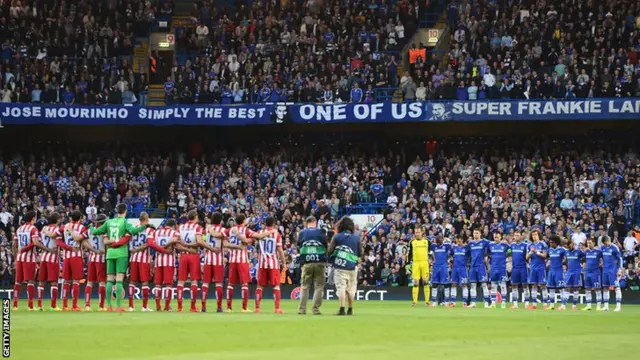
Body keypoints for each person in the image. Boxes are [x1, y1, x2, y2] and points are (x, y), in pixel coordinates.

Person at [90, 203, 146, 312]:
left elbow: (96, 232)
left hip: (110, 253)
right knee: (119, 280)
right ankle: (119, 306)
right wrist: (144, 226)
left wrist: (91, 226)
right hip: (121, 253)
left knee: (110, 280)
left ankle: (109, 306)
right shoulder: (124, 222)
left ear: (116, 211)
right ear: (125, 211)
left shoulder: (108, 222)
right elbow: (133, 231)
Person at [225, 214, 275, 312]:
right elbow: (259, 236)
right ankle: (244, 308)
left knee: (230, 284)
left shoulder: (230, 230)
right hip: (242, 260)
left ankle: (229, 308)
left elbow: (223, 240)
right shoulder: (246, 230)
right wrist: (272, 231)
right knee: (244, 284)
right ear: (244, 221)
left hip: (232, 260)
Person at [328, 216, 362, 316]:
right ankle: (350, 309)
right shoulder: (356, 238)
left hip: (340, 267)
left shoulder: (337, 237)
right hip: (352, 267)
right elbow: (361, 252)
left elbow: (330, 250)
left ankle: (342, 309)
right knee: (351, 290)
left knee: (341, 288)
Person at [297, 216, 328, 315]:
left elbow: (299, 246)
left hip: (306, 262)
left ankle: (302, 310)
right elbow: (326, 245)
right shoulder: (321, 232)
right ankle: (315, 309)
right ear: (315, 222)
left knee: (305, 286)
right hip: (319, 261)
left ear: (307, 223)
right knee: (319, 286)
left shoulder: (301, 233)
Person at [254, 217, 286, 314]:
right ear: (274, 224)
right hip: (273, 263)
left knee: (260, 286)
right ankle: (277, 308)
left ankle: (257, 308)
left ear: (265, 223)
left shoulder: (260, 233)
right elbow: (280, 250)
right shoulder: (277, 234)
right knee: (276, 286)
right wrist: (284, 262)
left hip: (262, 263)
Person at [176, 210, 204, 312]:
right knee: (194, 281)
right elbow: (199, 242)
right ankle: (193, 306)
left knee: (181, 281)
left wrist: (185, 247)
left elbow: (176, 243)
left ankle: (179, 307)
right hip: (193, 255)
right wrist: (189, 247)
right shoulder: (197, 227)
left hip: (183, 255)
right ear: (196, 217)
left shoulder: (180, 227)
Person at [12, 211, 40, 311]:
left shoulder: (19, 229)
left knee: (18, 282)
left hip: (19, 258)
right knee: (30, 282)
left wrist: (16, 256)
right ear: (33, 218)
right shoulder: (33, 228)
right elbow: (35, 243)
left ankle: (15, 305)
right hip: (29, 258)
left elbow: (14, 244)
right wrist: (24, 249)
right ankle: (30, 306)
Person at [201, 212, 228, 312]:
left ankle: (203, 307)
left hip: (207, 259)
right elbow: (225, 244)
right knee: (218, 284)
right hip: (218, 259)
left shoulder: (207, 229)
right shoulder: (223, 230)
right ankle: (219, 307)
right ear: (220, 220)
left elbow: (203, 240)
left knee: (205, 283)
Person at [128, 213, 154, 312]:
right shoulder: (149, 229)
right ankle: (144, 306)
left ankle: (131, 306)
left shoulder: (133, 228)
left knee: (132, 282)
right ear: (146, 219)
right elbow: (148, 244)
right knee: (145, 282)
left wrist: (133, 250)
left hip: (133, 258)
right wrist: (138, 249)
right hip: (143, 258)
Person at [153, 219, 180, 311]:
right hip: (168, 261)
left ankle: (158, 306)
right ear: (173, 226)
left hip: (158, 261)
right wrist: (165, 246)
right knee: (168, 284)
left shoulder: (156, 233)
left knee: (158, 284)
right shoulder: (174, 232)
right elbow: (175, 240)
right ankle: (167, 306)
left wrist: (160, 248)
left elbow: (152, 244)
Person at [38, 212, 63, 311]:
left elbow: (40, 241)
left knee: (41, 282)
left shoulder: (44, 229)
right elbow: (58, 241)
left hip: (43, 256)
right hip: (53, 257)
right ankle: (53, 306)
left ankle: (39, 305)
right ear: (57, 220)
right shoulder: (57, 230)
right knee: (54, 282)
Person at [85, 214, 108, 311]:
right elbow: (106, 245)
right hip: (101, 258)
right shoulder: (105, 231)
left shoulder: (90, 230)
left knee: (89, 282)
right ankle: (101, 306)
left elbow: (84, 242)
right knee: (102, 282)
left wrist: (93, 250)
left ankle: (87, 305)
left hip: (91, 257)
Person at [407, 227, 430, 307]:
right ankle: (414, 302)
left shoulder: (426, 241)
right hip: (416, 263)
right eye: (416, 232)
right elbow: (409, 254)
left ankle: (427, 301)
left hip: (425, 263)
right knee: (416, 282)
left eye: (418, 232)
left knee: (426, 282)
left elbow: (431, 251)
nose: (417, 234)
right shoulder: (412, 242)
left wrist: (431, 259)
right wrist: (407, 264)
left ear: (421, 233)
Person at [526, 229, 548, 310]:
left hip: (541, 267)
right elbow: (526, 257)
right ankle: (534, 304)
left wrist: (536, 252)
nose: (534, 236)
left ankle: (545, 304)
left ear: (539, 235)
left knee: (543, 285)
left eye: (536, 234)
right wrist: (531, 252)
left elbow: (545, 255)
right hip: (533, 267)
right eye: (533, 235)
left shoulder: (543, 244)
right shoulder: (529, 245)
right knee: (534, 285)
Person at [600, 235, 623, 312]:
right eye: (604, 243)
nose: (606, 244)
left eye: (606, 242)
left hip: (613, 270)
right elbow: (602, 257)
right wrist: (601, 263)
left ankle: (618, 306)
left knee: (616, 287)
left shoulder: (614, 248)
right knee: (605, 287)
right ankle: (606, 306)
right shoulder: (603, 248)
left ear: (609, 240)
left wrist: (619, 269)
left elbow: (620, 259)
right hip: (605, 270)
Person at [468, 229, 490, 308]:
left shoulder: (484, 242)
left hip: (481, 266)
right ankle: (473, 303)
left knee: (484, 284)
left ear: (480, 234)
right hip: (473, 266)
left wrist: (487, 256)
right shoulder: (470, 243)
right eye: (474, 233)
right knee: (473, 285)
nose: (475, 234)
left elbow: (492, 247)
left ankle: (487, 303)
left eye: (477, 233)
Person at [508, 230, 529, 309]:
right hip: (515, 268)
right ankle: (515, 304)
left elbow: (527, 257)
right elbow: (508, 253)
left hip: (523, 267)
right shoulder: (512, 245)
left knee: (525, 285)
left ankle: (526, 303)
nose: (516, 237)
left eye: (518, 235)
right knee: (514, 285)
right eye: (515, 235)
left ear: (521, 236)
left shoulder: (525, 245)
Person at [488, 232, 509, 309]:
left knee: (503, 285)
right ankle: (493, 303)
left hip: (502, 268)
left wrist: (507, 259)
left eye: (497, 237)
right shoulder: (490, 245)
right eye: (495, 237)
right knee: (493, 285)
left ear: (500, 237)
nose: (496, 238)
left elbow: (510, 251)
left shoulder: (505, 245)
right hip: (493, 268)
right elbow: (487, 253)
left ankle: (503, 303)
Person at [429, 235, 451, 307]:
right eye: (437, 241)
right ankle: (434, 302)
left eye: (439, 241)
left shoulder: (447, 245)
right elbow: (427, 248)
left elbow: (452, 250)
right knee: (434, 284)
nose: (438, 243)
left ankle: (447, 302)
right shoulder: (433, 246)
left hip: (444, 267)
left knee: (446, 285)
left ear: (442, 240)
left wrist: (449, 260)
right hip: (436, 267)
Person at [562, 240, 584, 310]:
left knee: (576, 288)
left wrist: (583, 265)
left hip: (576, 272)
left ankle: (574, 305)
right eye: (571, 244)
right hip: (569, 272)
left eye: (573, 244)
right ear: (568, 245)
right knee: (566, 288)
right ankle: (563, 305)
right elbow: (565, 260)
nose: (572, 246)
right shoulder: (567, 252)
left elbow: (585, 258)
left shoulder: (578, 252)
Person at [545, 235, 566, 310]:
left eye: (552, 242)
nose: (550, 244)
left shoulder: (562, 250)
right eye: (550, 242)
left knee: (561, 288)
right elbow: (546, 257)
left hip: (559, 271)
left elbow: (566, 259)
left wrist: (564, 264)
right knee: (551, 288)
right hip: (551, 271)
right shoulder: (549, 250)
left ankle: (563, 305)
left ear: (556, 243)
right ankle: (551, 305)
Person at [582, 239, 603, 311]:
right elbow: (583, 260)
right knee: (587, 289)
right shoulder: (586, 252)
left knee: (597, 289)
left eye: (590, 243)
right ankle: (588, 306)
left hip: (595, 273)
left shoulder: (598, 252)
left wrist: (601, 263)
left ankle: (598, 306)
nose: (588, 245)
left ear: (593, 243)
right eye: (587, 243)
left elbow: (604, 258)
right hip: (587, 272)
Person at [450, 236, 469, 307]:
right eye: (457, 241)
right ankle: (453, 302)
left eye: (460, 241)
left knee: (464, 284)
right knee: (453, 284)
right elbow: (450, 254)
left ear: (462, 241)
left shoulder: (466, 248)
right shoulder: (454, 248)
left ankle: (464, 302)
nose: (458, 242)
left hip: (463, 268)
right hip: (455, 268)